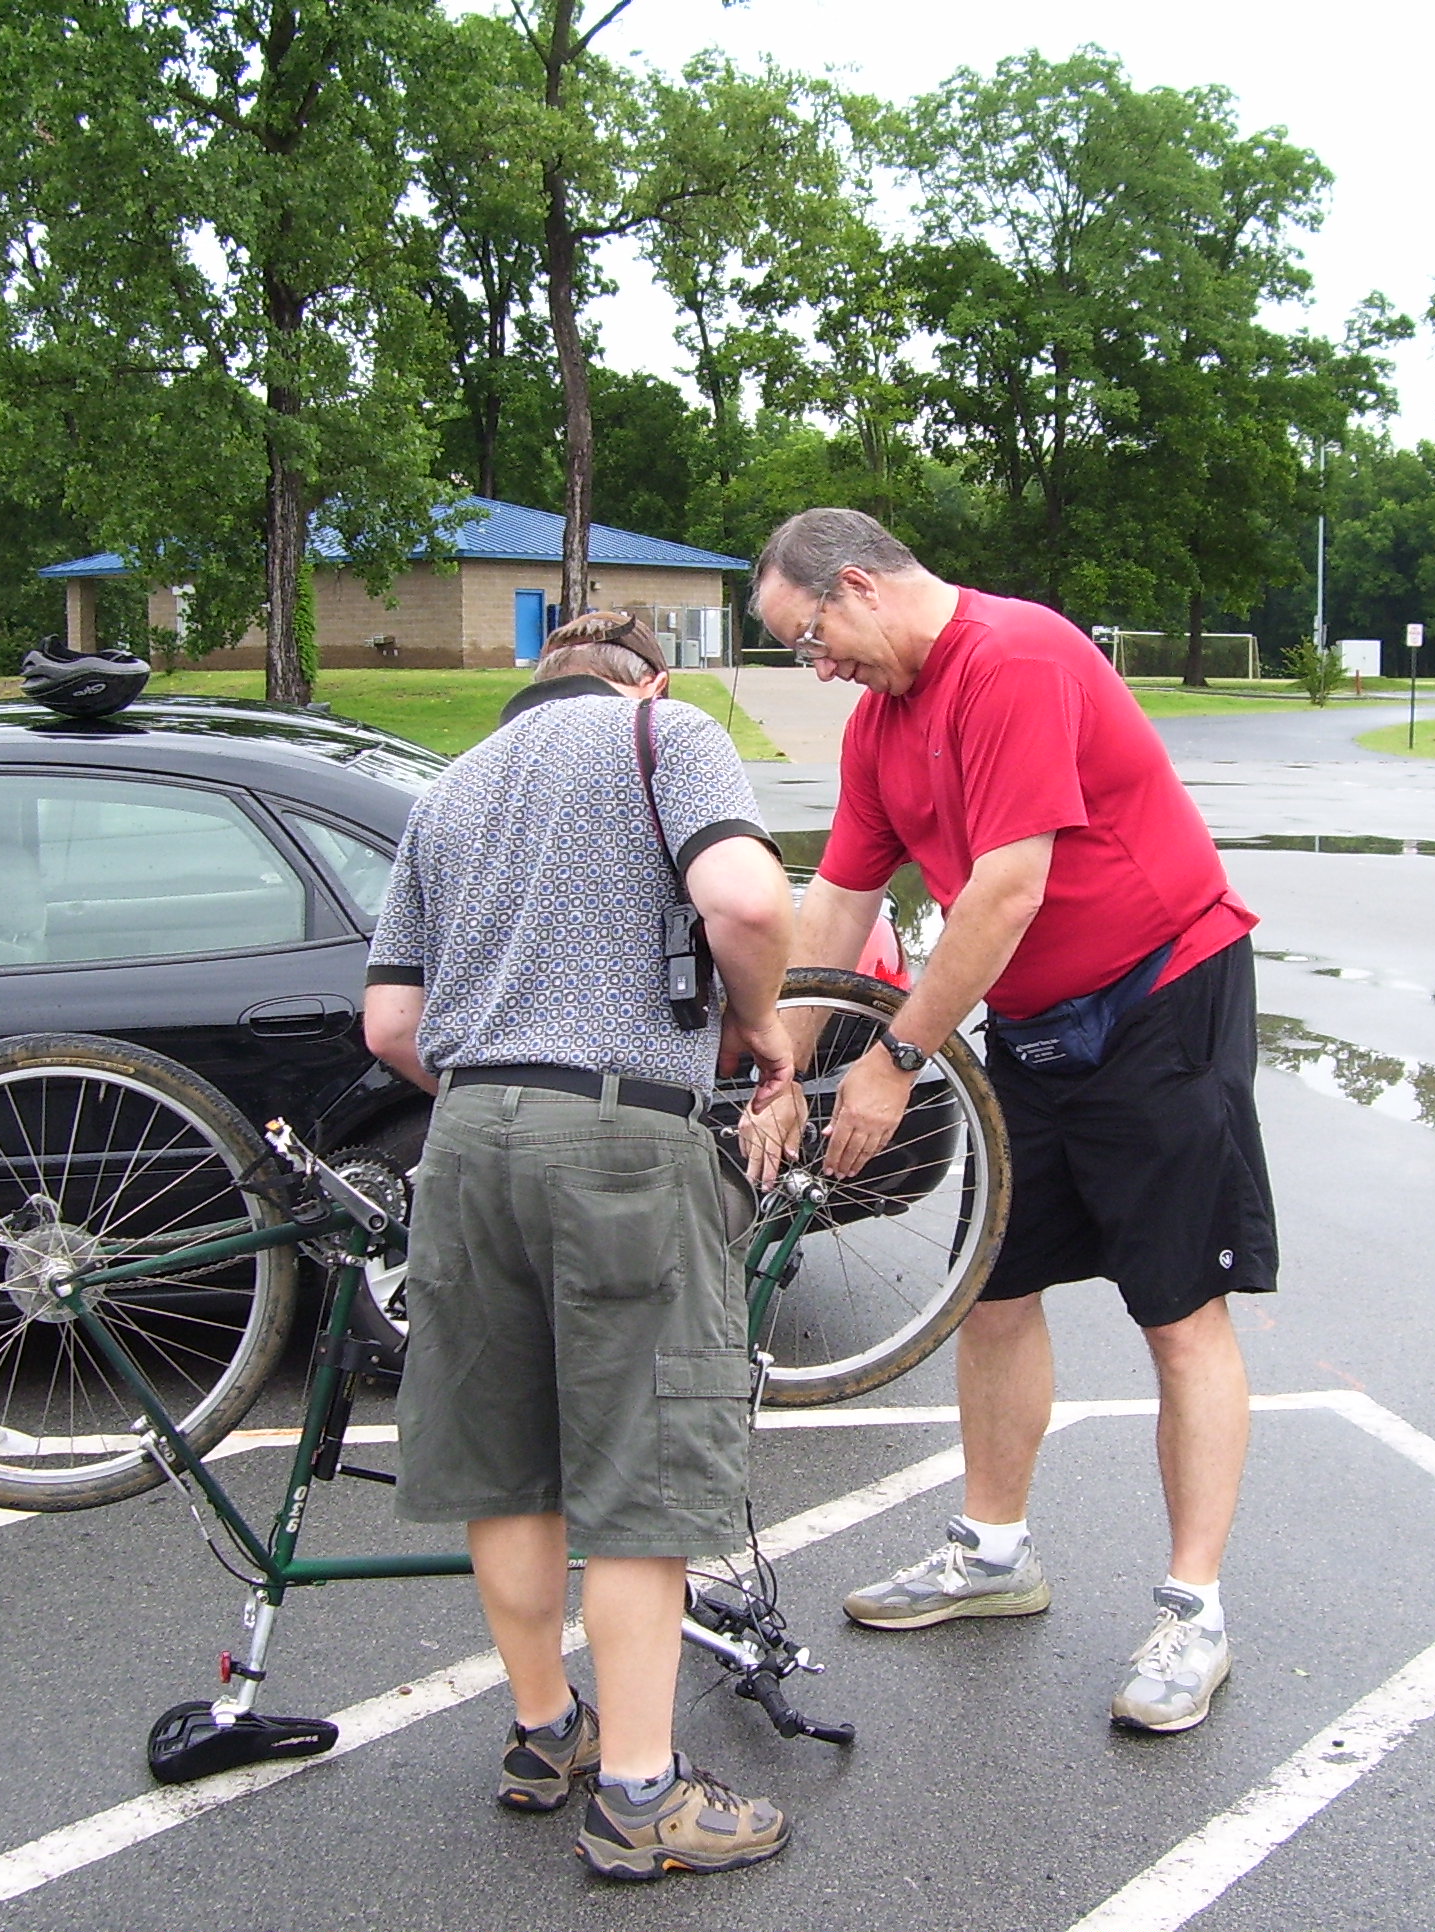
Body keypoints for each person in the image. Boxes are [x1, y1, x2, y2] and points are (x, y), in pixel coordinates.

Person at [749, 509, 1276, 1734]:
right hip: (1032, 1023)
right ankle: (992, 1553)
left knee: (1176, 1311)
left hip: (1159, 1001)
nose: (814, 669)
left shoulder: (1013, 657)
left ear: (858, 587)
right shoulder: (880, 725)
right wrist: (785, 1067)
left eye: (808, 639)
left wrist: (894, 1058)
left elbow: (1007, 888)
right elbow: (838, 903)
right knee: (991, 1289)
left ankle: (1192, 1613)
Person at [362, 610, 808, 1878]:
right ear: (646, 679)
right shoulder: (665, 736)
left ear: (537, 680)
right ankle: (641, 1797)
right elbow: (744, 899)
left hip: (463, 1142)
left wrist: (497, 1090)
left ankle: (545, 1731)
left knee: (508, 1465)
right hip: (620, 1136)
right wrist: (759, 1024)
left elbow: (388, 1022)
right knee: (637, 1472)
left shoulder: (449, 789)